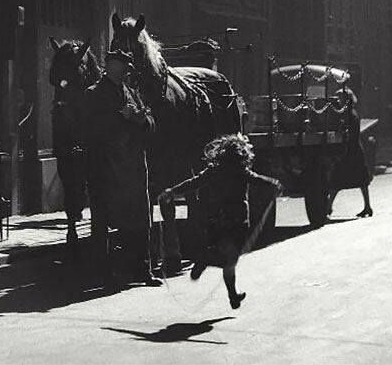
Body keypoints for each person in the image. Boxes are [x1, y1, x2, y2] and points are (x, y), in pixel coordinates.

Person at [158, 133, 281, 310]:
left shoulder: (213, 170)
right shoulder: (241, 171)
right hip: (238, 220)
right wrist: (274, 183)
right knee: (230, 260)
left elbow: (194, 183)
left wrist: (172, 192)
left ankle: (230, 292)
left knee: (228, 257)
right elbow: (257, 180)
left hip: (216, 218)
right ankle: (208, 264)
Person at [83, 49, 162, 287]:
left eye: (125, 66)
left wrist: (141, 120)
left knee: (139, 219)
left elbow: (151, 124)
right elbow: (89, 129)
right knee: (103, 221)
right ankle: (104, 273)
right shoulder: (93, 94)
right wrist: (121, 117)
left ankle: (142, 270)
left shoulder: (132, 93)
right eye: (119, 66)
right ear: (107, 67)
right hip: (106, 168)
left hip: (134, 167)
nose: (124, 70)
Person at [328, 87, 373, 218]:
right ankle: (367, 207)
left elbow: (347, 134)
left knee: (337, 180)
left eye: (340, 99)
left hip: (350, 150)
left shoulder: (348, 115)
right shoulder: (351, 113)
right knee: (360, 181)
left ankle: (328, 207)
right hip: (354, 149)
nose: (338, 101)